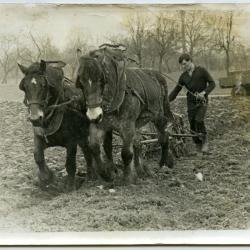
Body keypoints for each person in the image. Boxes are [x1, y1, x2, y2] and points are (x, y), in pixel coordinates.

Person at [168, 54, 215, 153]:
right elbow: (176, 90)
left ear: (190, 61)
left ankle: (205, 141)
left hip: (203, 101)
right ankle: (197, 144)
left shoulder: (201, 71)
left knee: (199, 120)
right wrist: (166, 101)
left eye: (185, 64)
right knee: (192, 125)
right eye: (181, 65)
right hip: (191, 103)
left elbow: (212, 83)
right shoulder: (183, 76)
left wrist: (204, 92)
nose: (183, 66)